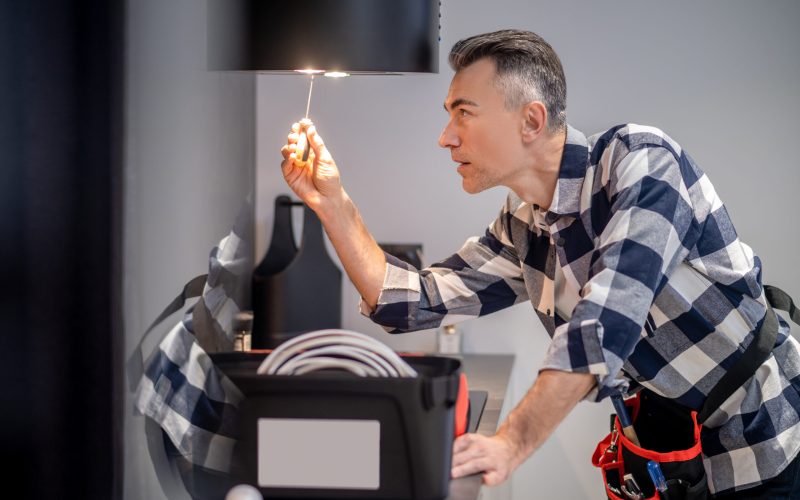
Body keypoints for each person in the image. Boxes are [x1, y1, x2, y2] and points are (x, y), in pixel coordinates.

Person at [279, 29, 800, 498]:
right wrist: (333, 203)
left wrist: (510, 443)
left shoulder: (643, 161)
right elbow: (409, 300)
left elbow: (607, 319)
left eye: (463, 111)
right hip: (677, 457)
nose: (446, 135)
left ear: (532, 119)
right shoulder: (524, 223)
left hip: (768, 440)